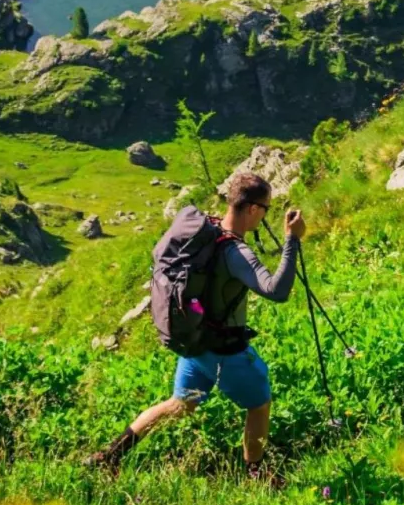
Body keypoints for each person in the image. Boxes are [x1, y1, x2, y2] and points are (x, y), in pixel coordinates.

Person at [86, 172, 303, 483]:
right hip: (224, 350)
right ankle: (258, 477)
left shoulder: (207, 232)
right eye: (266, 208)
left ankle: (109, 456)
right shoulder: (236, 252)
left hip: (194, 341)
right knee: (259, 404)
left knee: (180, 405)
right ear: (253, 209)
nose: (265, 214)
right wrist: (292, 241)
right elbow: (276, 291)